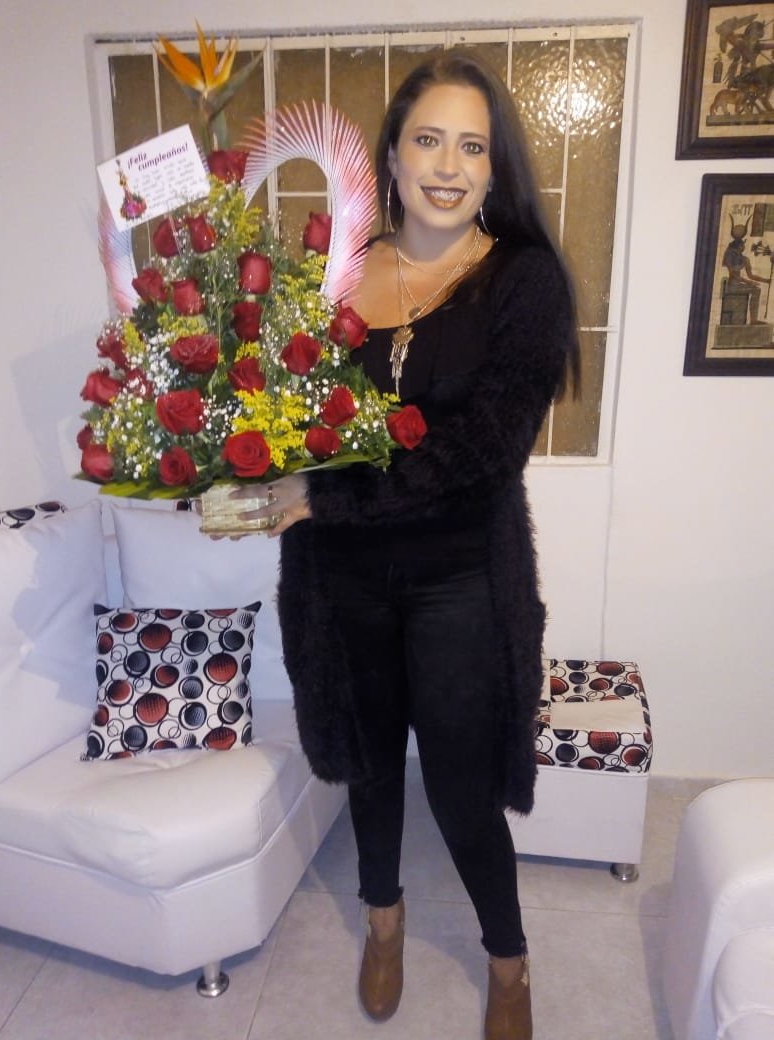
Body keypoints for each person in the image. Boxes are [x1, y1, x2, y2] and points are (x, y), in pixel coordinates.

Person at [232, 49, 579, 1040]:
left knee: (464, 791)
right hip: (342, 582)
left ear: (496, 165)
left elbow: (482, 454)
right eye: (429, 139)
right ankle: (382, 919)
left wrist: (324, 497)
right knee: (372, 764)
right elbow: (293, 418)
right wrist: (236, 459)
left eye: (473, 145)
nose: (449, 165)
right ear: (392, 154)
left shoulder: (524, 281)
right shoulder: (337, 270)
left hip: (458, 580)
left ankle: (507, 960)